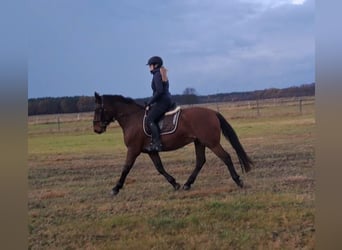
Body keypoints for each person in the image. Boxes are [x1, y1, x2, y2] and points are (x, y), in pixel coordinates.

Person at [145, 56, 173, 152]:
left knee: (150, 119)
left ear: (155, 65)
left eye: (150, 65)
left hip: (162, 101)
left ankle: (157, 144)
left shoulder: (157, 75)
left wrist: (149, 102)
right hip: (166, 99)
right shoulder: (161, 72)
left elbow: (159, 91)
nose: (149, 67)